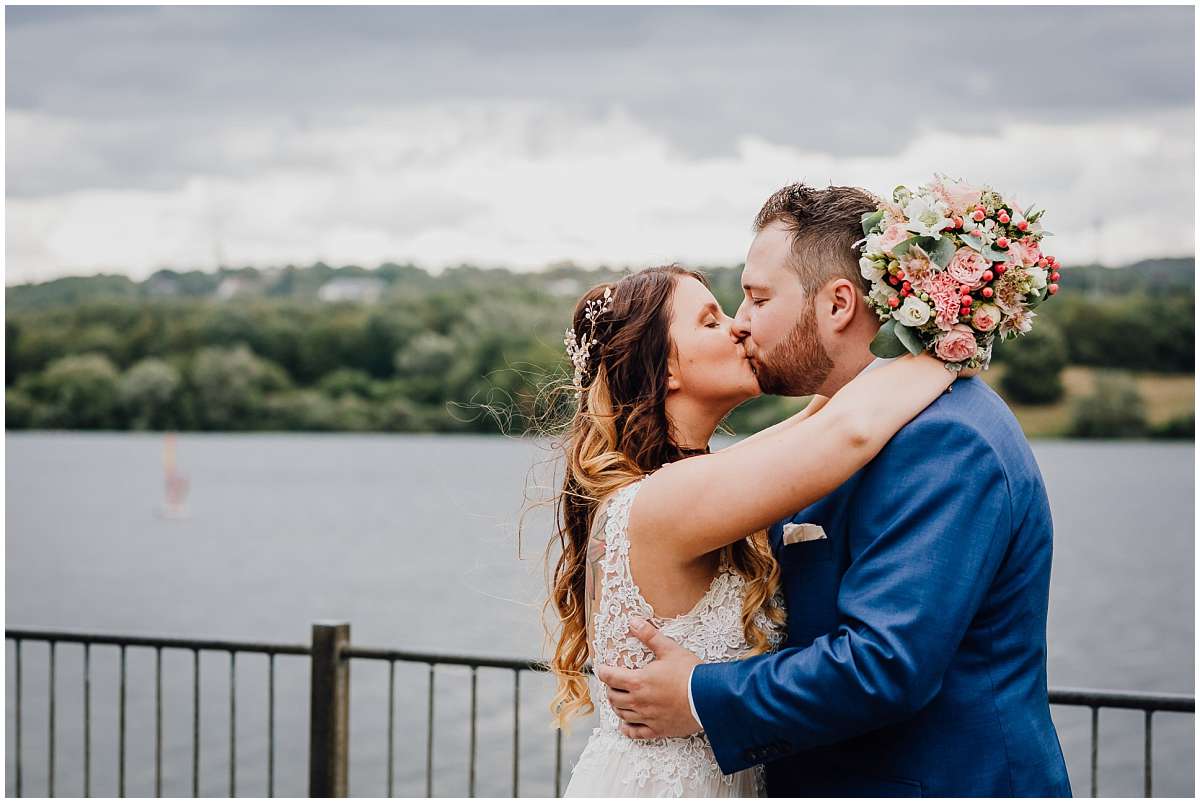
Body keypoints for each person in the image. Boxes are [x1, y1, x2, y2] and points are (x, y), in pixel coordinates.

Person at [593, 184, 1073, 796]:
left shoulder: (946, 438)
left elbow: (885, 663)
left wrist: (699, 694)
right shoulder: (814, 443)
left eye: (757, 298)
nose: (741, 325)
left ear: (839, 302)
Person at [546, 256, 965, 796]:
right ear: (667, 367)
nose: (739, 326)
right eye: (710, 320)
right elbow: (850, 432)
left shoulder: (687, 480)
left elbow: (817, 419)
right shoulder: (666, 499)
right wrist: (960, 334)